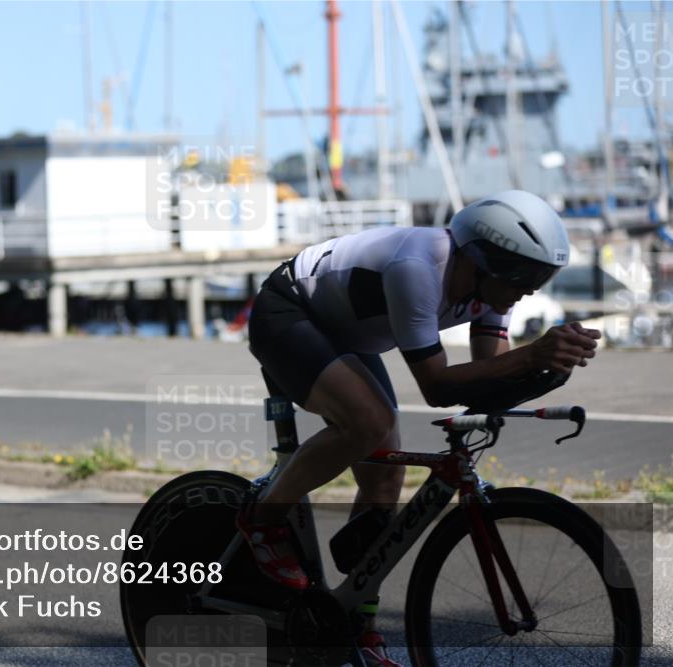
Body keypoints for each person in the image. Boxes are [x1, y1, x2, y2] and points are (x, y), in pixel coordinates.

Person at [236, 190, 601, 667]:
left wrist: (547, 367)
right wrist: (532, 355)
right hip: (290, 311)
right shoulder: (417, 267)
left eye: (542, 277)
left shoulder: (494, 289)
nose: (532, 290)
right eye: (528, 276)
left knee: (386, 478)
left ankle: (356, 623)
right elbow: (436, 386)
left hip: (345, 334)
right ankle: (262, 517)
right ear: (482, 260)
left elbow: (488, 376)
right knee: (369, 423)